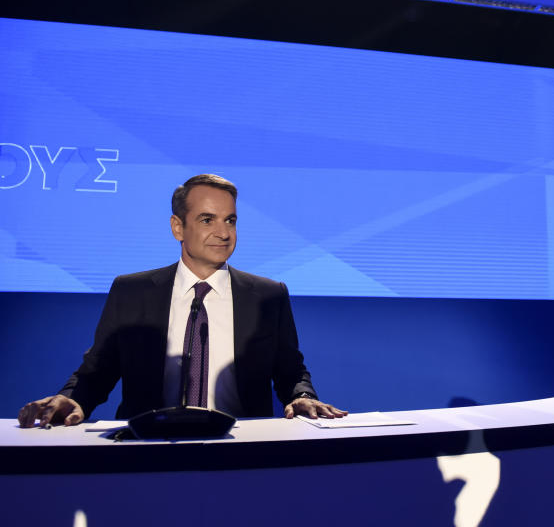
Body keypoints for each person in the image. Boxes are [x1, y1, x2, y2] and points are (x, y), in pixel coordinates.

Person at [18, 174, 346, 428]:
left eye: (230, 220)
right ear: (178, 227)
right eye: (207, 220)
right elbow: (98, 370)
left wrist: (302, 396)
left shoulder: (268, 295)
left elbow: (291, 371)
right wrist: (72, 400)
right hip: (145, 448)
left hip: (241, 447)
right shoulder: (132, 291)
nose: (223, 232)